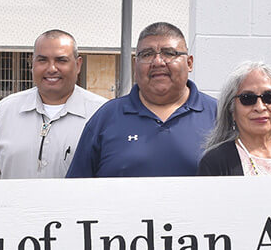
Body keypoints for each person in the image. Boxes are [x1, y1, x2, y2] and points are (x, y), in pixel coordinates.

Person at [65, 22, 216, 178]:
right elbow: (75, 189)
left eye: (169, 53)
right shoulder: (106, 118)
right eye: (147, 54)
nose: (158, 62)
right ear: (135, 65)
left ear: (189, 63)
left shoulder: (218, 117)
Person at [0, 29, 107, 179]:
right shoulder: (3, 113)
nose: (51, 69)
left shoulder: (102, 115)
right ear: (32, 63)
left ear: (78, 64)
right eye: (42, 60)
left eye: (61, 60)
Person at [197, 61, 271, 176]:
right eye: (247, 98)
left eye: (269, 97)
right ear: (232, 110)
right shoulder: (214, 163)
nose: (260, 107)